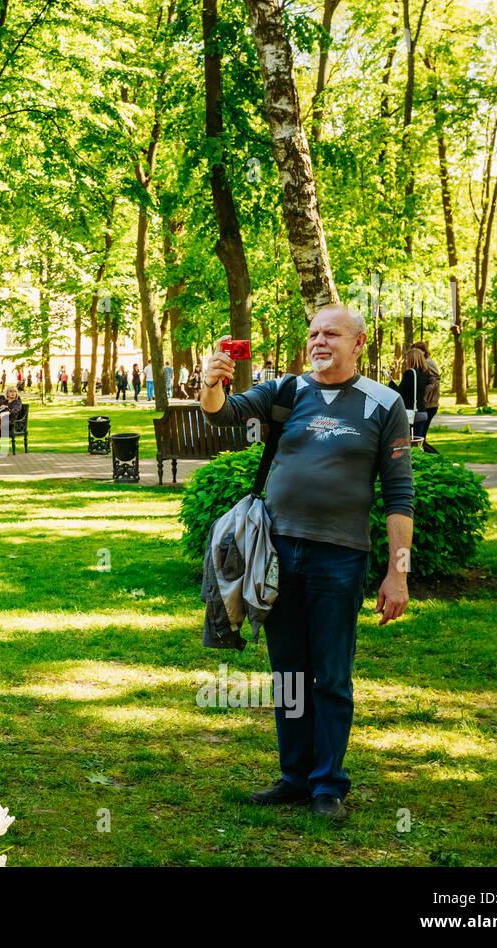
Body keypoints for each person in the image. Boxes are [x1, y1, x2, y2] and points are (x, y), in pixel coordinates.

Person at [201, 305, 414, 822]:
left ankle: (328, 785)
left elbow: (399, 494)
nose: (319, 342)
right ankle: (295, 776)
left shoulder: (384, 404)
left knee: (331, 675)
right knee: (289, 673)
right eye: (313, 334)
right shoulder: (287, 391)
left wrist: (397, 572)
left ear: (359, 342)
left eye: (332, 334)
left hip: (340, 557)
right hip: (276, 553)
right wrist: (211, 382)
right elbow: (222, 413)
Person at [392, 348, 429, 445]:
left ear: (412, 359)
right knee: (418, 442)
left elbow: (400, 393)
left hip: (411, 413)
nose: (406, 361)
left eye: (407, 359)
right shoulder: (425, 374)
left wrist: (391, 383)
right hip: (422, 412)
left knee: (405, 442)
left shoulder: (410, 374)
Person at [410, 342, 442, 454]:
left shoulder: (428, 362)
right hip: (425, 404)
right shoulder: (421, 364)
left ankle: (436, 457)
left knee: (420, 438)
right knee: (419, 437)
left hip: (429, 403)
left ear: (424, 351)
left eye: (418, 351)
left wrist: (422, 392)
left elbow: (435, 380)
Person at [0, 385, 23, 451]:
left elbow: (15, 410)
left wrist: (6, 411)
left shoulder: (17, 402)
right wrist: (0, 408)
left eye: (14, 391)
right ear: (7, 394)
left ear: (16, 393)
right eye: (10, 391)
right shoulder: (5, 402)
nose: (13, 393)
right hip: (1, 421)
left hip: (11, 422)